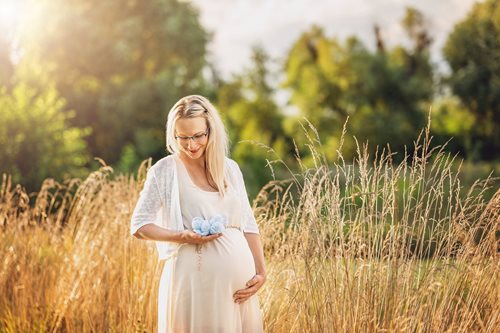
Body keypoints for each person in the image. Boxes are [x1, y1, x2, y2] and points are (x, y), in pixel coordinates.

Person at [130, 95, 266, 333]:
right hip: (193, 285)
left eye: (198, 136)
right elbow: (139, 225)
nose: (191, 144)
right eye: (182, 137)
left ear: (210, 130)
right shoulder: (164, 170)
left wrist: (261, 272)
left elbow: (248, 224)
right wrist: (182, 236)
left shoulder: (230, 168)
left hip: (238, 293)